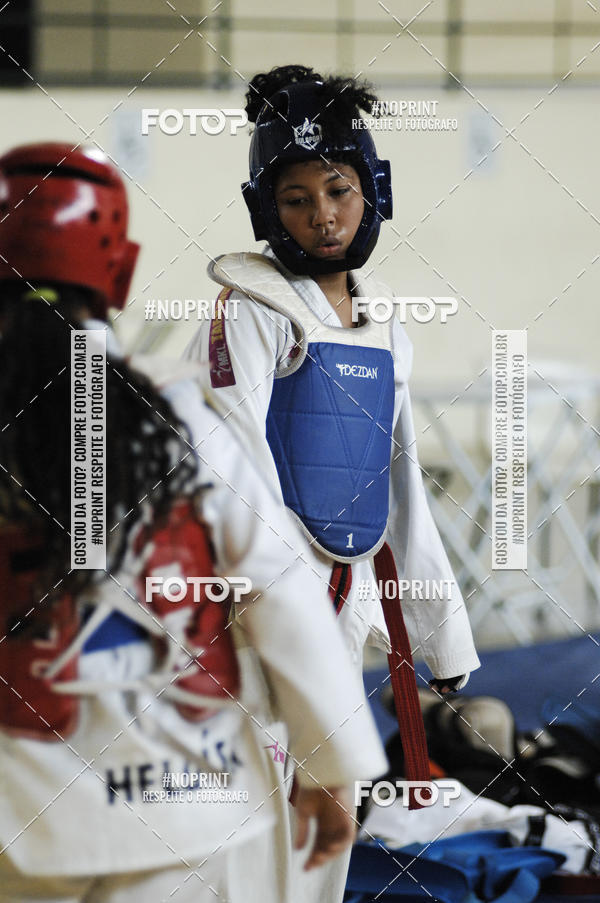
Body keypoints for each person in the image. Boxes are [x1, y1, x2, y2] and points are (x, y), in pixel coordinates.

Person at [0, 141, 387, 903]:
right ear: (117, 268)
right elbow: (277, 587)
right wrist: (331, 764)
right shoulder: (179, 411)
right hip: (195, 810)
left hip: (23, 823)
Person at [184, 65, 481, 902]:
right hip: (261, 602)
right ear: (264, 210)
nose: (323, 215)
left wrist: (437, 633)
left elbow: (398, 480)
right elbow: (219, 457)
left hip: (347, 598)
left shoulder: (385, 323)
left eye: (339, 190)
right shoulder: (250, 306)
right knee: (248, 806)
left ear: (372, 189)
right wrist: (260, 599)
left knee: (332, 804)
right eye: (297, 198)